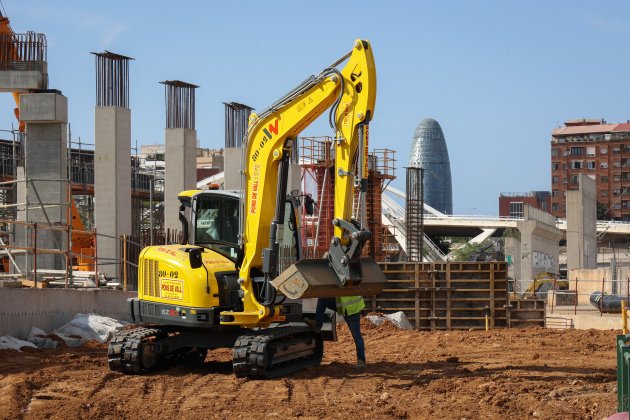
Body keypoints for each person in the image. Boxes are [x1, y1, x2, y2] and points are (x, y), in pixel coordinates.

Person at [312, 295, 367, 370]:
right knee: (322, 299)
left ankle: (361, 360)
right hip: (343, 305)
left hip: (352, 309)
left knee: (356, 336)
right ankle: (318, 324)